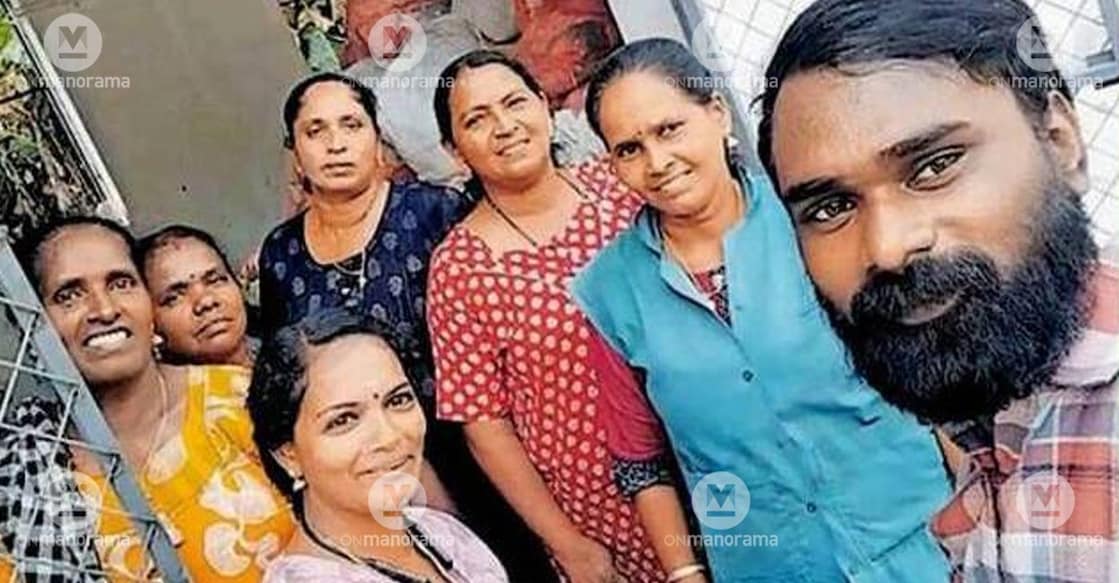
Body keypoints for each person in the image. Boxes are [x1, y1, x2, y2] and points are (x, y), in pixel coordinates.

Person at [758, 0, 1118, 580]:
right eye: (830, 207)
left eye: (934, 166)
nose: (888, 247)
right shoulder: (990, 426)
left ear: (1059, 139)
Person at [574, 38, 953, 581]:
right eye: (628, 149)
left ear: (717, 114)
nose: (657, 162)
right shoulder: (609, 291)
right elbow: (639, 459)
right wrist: (684, 573)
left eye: (669, 129)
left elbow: (925, 363)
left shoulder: (815, 217)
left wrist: (980, 502)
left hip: (915, 536)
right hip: (769, 563)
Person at [258, 71, 550, 577]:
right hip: (373, 468)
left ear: (377, 138)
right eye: (316, 131)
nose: (336, 144)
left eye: (351, 125)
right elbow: (291, 374)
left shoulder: (434, 212)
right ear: (294, 152)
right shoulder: (281, 254)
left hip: (485, 444)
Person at [427, 49, 662, 582]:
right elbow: (484, 425)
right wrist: (568, 544)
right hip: (603, 508)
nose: (504, 126)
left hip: (707, 449)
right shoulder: (460, 268)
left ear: (544, 106)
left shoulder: (618, 184)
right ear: (454, 150)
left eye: (514, 103)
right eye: (476, 120)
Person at [10, 216, 293, 581]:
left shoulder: (243, 399)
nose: (104, 309)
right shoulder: (35, 479)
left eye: (121, 283)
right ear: (31, 325)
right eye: (68, 295)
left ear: (149, 304)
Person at [249, 309, 508, 582]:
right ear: (287, 455)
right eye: (344, 420)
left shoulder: (441, 533)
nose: (389, 437)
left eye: (398, 400)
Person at [137, 224, 255, 367]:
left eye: (215, 280)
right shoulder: (163, 389)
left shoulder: (285, 352)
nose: (206, 301)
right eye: (174, 297)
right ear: (152, 326)